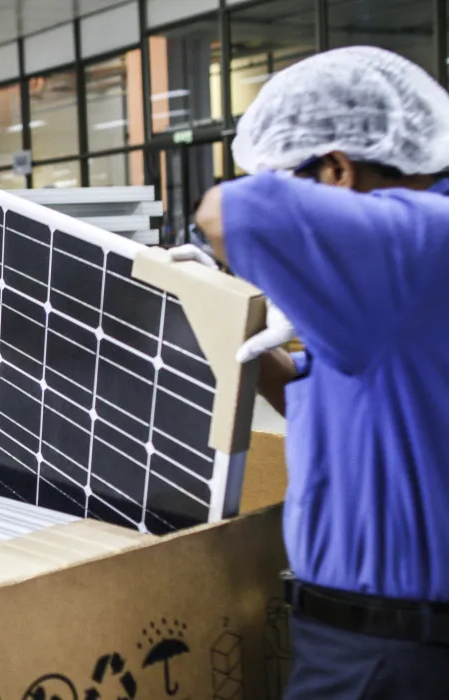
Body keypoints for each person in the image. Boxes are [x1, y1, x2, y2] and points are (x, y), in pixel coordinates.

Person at [171, 46, 449, 698]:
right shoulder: (395, 285)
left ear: (336, 170)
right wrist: (234, 325)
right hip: (389, 642)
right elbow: (339, 407)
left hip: (390, 653)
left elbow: (233, 210)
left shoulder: (412, 244)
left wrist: (268, 272)